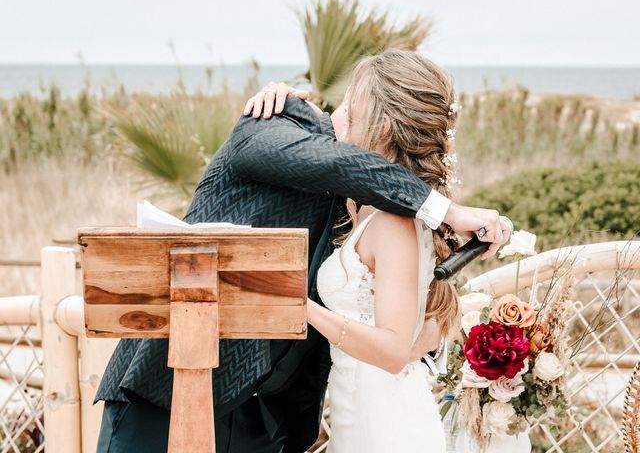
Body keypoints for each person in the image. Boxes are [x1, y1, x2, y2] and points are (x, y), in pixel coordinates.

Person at [95, 49, 510, 453]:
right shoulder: (270, 123)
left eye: (354, 99)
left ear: (383, 126)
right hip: (166, 390)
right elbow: (336, 165)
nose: (339, 110)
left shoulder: (387, 207)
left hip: (265, 419)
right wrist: (448, 211)